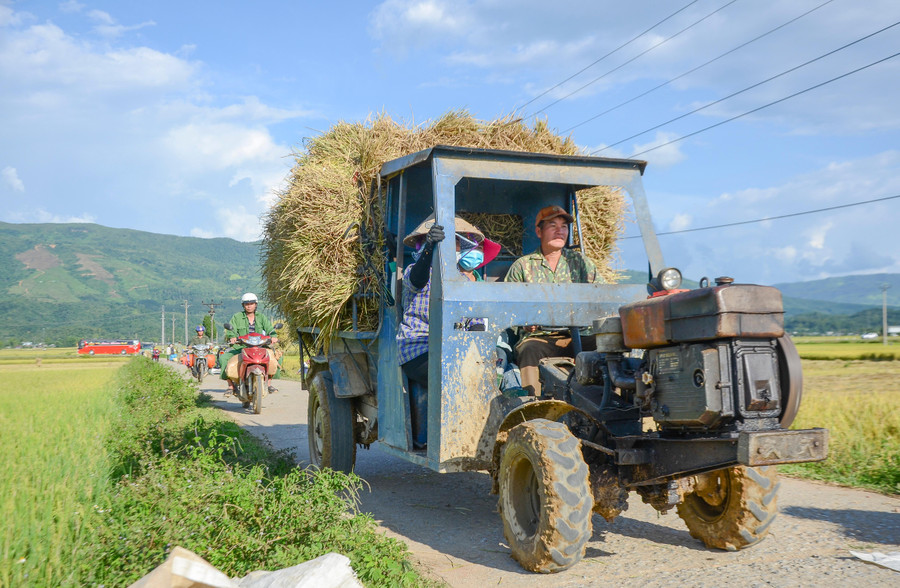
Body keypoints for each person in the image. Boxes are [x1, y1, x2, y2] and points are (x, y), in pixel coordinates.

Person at [397, 215, 499, 447]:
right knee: (455, 372)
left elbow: (470, 321)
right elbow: (418, 278)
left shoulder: (463, 279)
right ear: (424, 243)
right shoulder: (416, 271)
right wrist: (430, 249)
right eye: (441, 241)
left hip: (454, 350)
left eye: (452, 242)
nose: (447, 246)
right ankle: (452, 438)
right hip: (418, 349)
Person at [504, 205, 600, 395]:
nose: (560, 231)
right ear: (539, 231)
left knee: (607, 347)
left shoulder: (581, 263)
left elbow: (602, 296)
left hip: (580, 335)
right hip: (541, 338)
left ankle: (607, 405)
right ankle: (534, 407)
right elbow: (507, 311)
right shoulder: (522, 266)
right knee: (529, 349)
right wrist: (523, 324)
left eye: (564, 226)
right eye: (553, 225)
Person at [220, 292, 280, 393]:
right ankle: (230, 385)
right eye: (246, 304)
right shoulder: (237, 317)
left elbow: (270, 329)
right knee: (223, 358)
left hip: (260, 347)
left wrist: (273, 336)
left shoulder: (261, 317)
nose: (249, 306)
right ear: (243, 305)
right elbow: (231, 329)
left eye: (251, 304)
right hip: (241, 347)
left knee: (277, 357)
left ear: (255, 304)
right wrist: (233, 337)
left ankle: (269, 383)